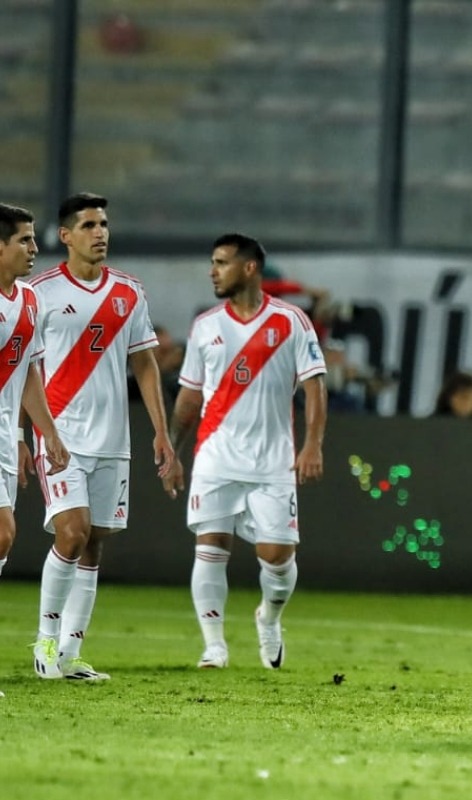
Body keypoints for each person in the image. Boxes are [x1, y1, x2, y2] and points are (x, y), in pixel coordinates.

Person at [163, 233, 327, 670]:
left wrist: (313, 444)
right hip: (215, 455)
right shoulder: (206, 326)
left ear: (249, 268)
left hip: (273, 460)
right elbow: (189, 398)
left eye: (221, 263)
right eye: (212, 262)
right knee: (210, 546)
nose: (212, 271)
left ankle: (269, 618)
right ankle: (214, 646)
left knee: (277, 557)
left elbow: (314, 388)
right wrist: (173, 450)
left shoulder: (292, 322)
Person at [29, 192, 174, 681]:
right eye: (89, 225)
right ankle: (45, 643)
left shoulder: (129, 292)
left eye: (104, 224)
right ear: (66, 236)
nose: (101, 233)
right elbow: (23, 369)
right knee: (71, 533)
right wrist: (27, 433)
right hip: (61, 435)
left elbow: (144, 363)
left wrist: (161, 431)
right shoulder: (40, 293)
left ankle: (70, 655)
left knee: (94, 542)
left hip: (113, 438)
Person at [0, 204, 71, 696]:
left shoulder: (28, 301)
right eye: (25, 240)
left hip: (5, 438)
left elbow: (28, 376)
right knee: (2, 534)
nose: (34, 249)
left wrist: (45, 434)